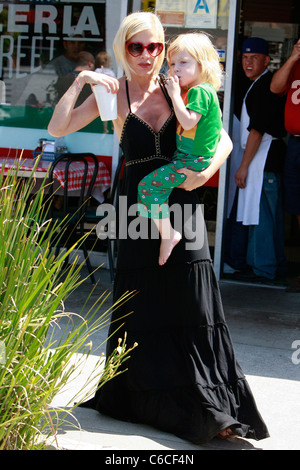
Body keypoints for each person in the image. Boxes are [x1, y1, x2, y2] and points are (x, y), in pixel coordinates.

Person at [48, 12, 269, 444]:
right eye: (137, 47)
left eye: (155, 47)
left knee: (194, 304)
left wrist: (203, 175)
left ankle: (210, 407)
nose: (147, 56)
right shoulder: (113, 94)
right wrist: (81, 83)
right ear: (124, 48)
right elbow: (58, 127)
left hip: (181, 207)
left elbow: (221, 139)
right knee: (142, 306)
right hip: (134, 209)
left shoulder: (180, 87)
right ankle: (146, 401)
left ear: (164, 49)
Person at [137, 33, 223, 266]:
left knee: (147, 186)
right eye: (172, 63)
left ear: (201, 65)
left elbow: (188, 123)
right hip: (189, 159)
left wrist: (174, 95)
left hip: (191, 161)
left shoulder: (199, 91)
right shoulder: (198, 91)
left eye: (184, 63)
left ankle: (169, 234)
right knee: (156, 192)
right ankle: (162, 227)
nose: (176, 69)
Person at [225, 37, 287, 281]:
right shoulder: (256, 84)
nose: (248, 63)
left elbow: (257, 130)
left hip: (265, 159)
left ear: (266, 61)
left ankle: (264, 270)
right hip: (265, 159)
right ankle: (272, 266)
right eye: (245, 58)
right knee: (266, 217)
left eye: (254, 58)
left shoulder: (265, 86)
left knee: (262, 219)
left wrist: (243, 166)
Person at [270, 38, 300, 292]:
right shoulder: (296, 65)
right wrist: (293, 57)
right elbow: (275, 87)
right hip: (296, 143)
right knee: (297, 205)